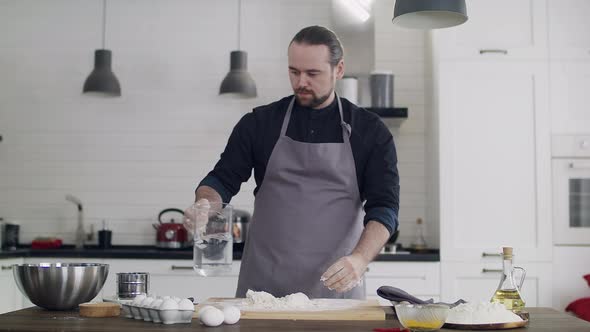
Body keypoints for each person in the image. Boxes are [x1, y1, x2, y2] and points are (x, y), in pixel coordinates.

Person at [186, 25, 399, 299]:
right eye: (294, 72)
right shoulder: (259, 123)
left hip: (336, 290)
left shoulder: (370, 131)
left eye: (313, 73)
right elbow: (221, 181)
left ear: (339, 70)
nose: (301, 82)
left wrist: (359, 259)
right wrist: (205, 204)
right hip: (263, 291)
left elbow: (385, 208)